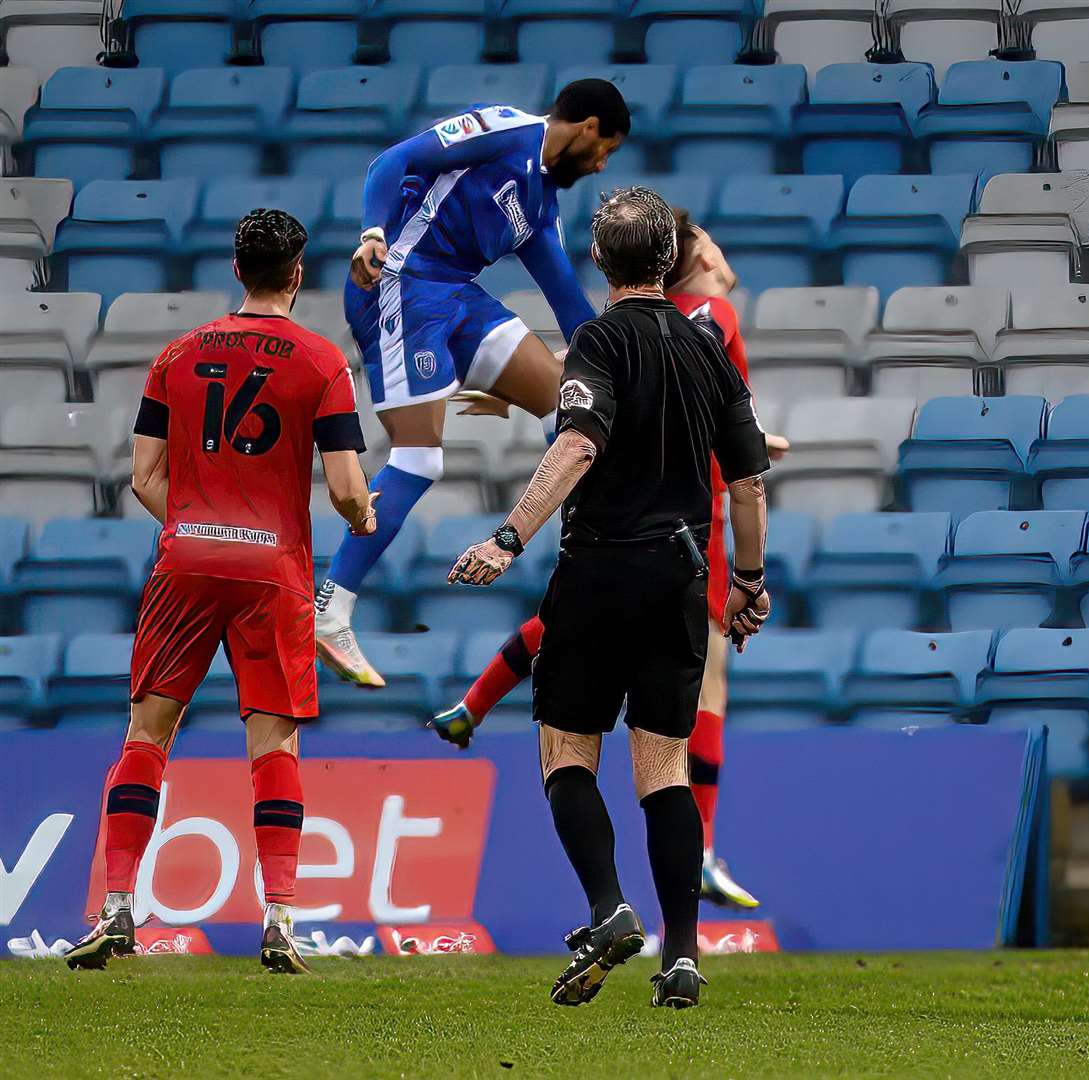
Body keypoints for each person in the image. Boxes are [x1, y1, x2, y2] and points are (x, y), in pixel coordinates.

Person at [444, 187, 771, 1009]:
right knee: (662, 765)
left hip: (597, 572)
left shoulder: (597, 339)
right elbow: (748, 483)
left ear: (599, 259)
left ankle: (607, 907)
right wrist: (749, 584)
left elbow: (578, 444)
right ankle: (685, 957)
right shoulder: (708, 349)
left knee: (566, 753)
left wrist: (508, 536)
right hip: (680, 578)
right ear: (670, 259)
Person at [65, 209, 378, 975]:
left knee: (147, 734)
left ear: (236, 269)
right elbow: (342, 490)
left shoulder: (177, 354)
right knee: (274, 743)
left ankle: (116, 912)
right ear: (297, 274)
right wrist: (366, 514)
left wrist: (199, 528)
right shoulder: (321, 362)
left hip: (187, 563)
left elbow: (144, 476)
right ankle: (277, 922)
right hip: (273, 573)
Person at [316, 79, 630, 688]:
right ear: (589, 128)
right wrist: (372, 233)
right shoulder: (504, 128)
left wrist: (625, 358)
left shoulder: (540, 207)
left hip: (457, 295)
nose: (600, 165)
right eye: (607, 150)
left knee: (571, 399)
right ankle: (332, 608)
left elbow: (567, 300)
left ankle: (596, 549)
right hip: (401, 284)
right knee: (419, 457)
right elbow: (393, 161)